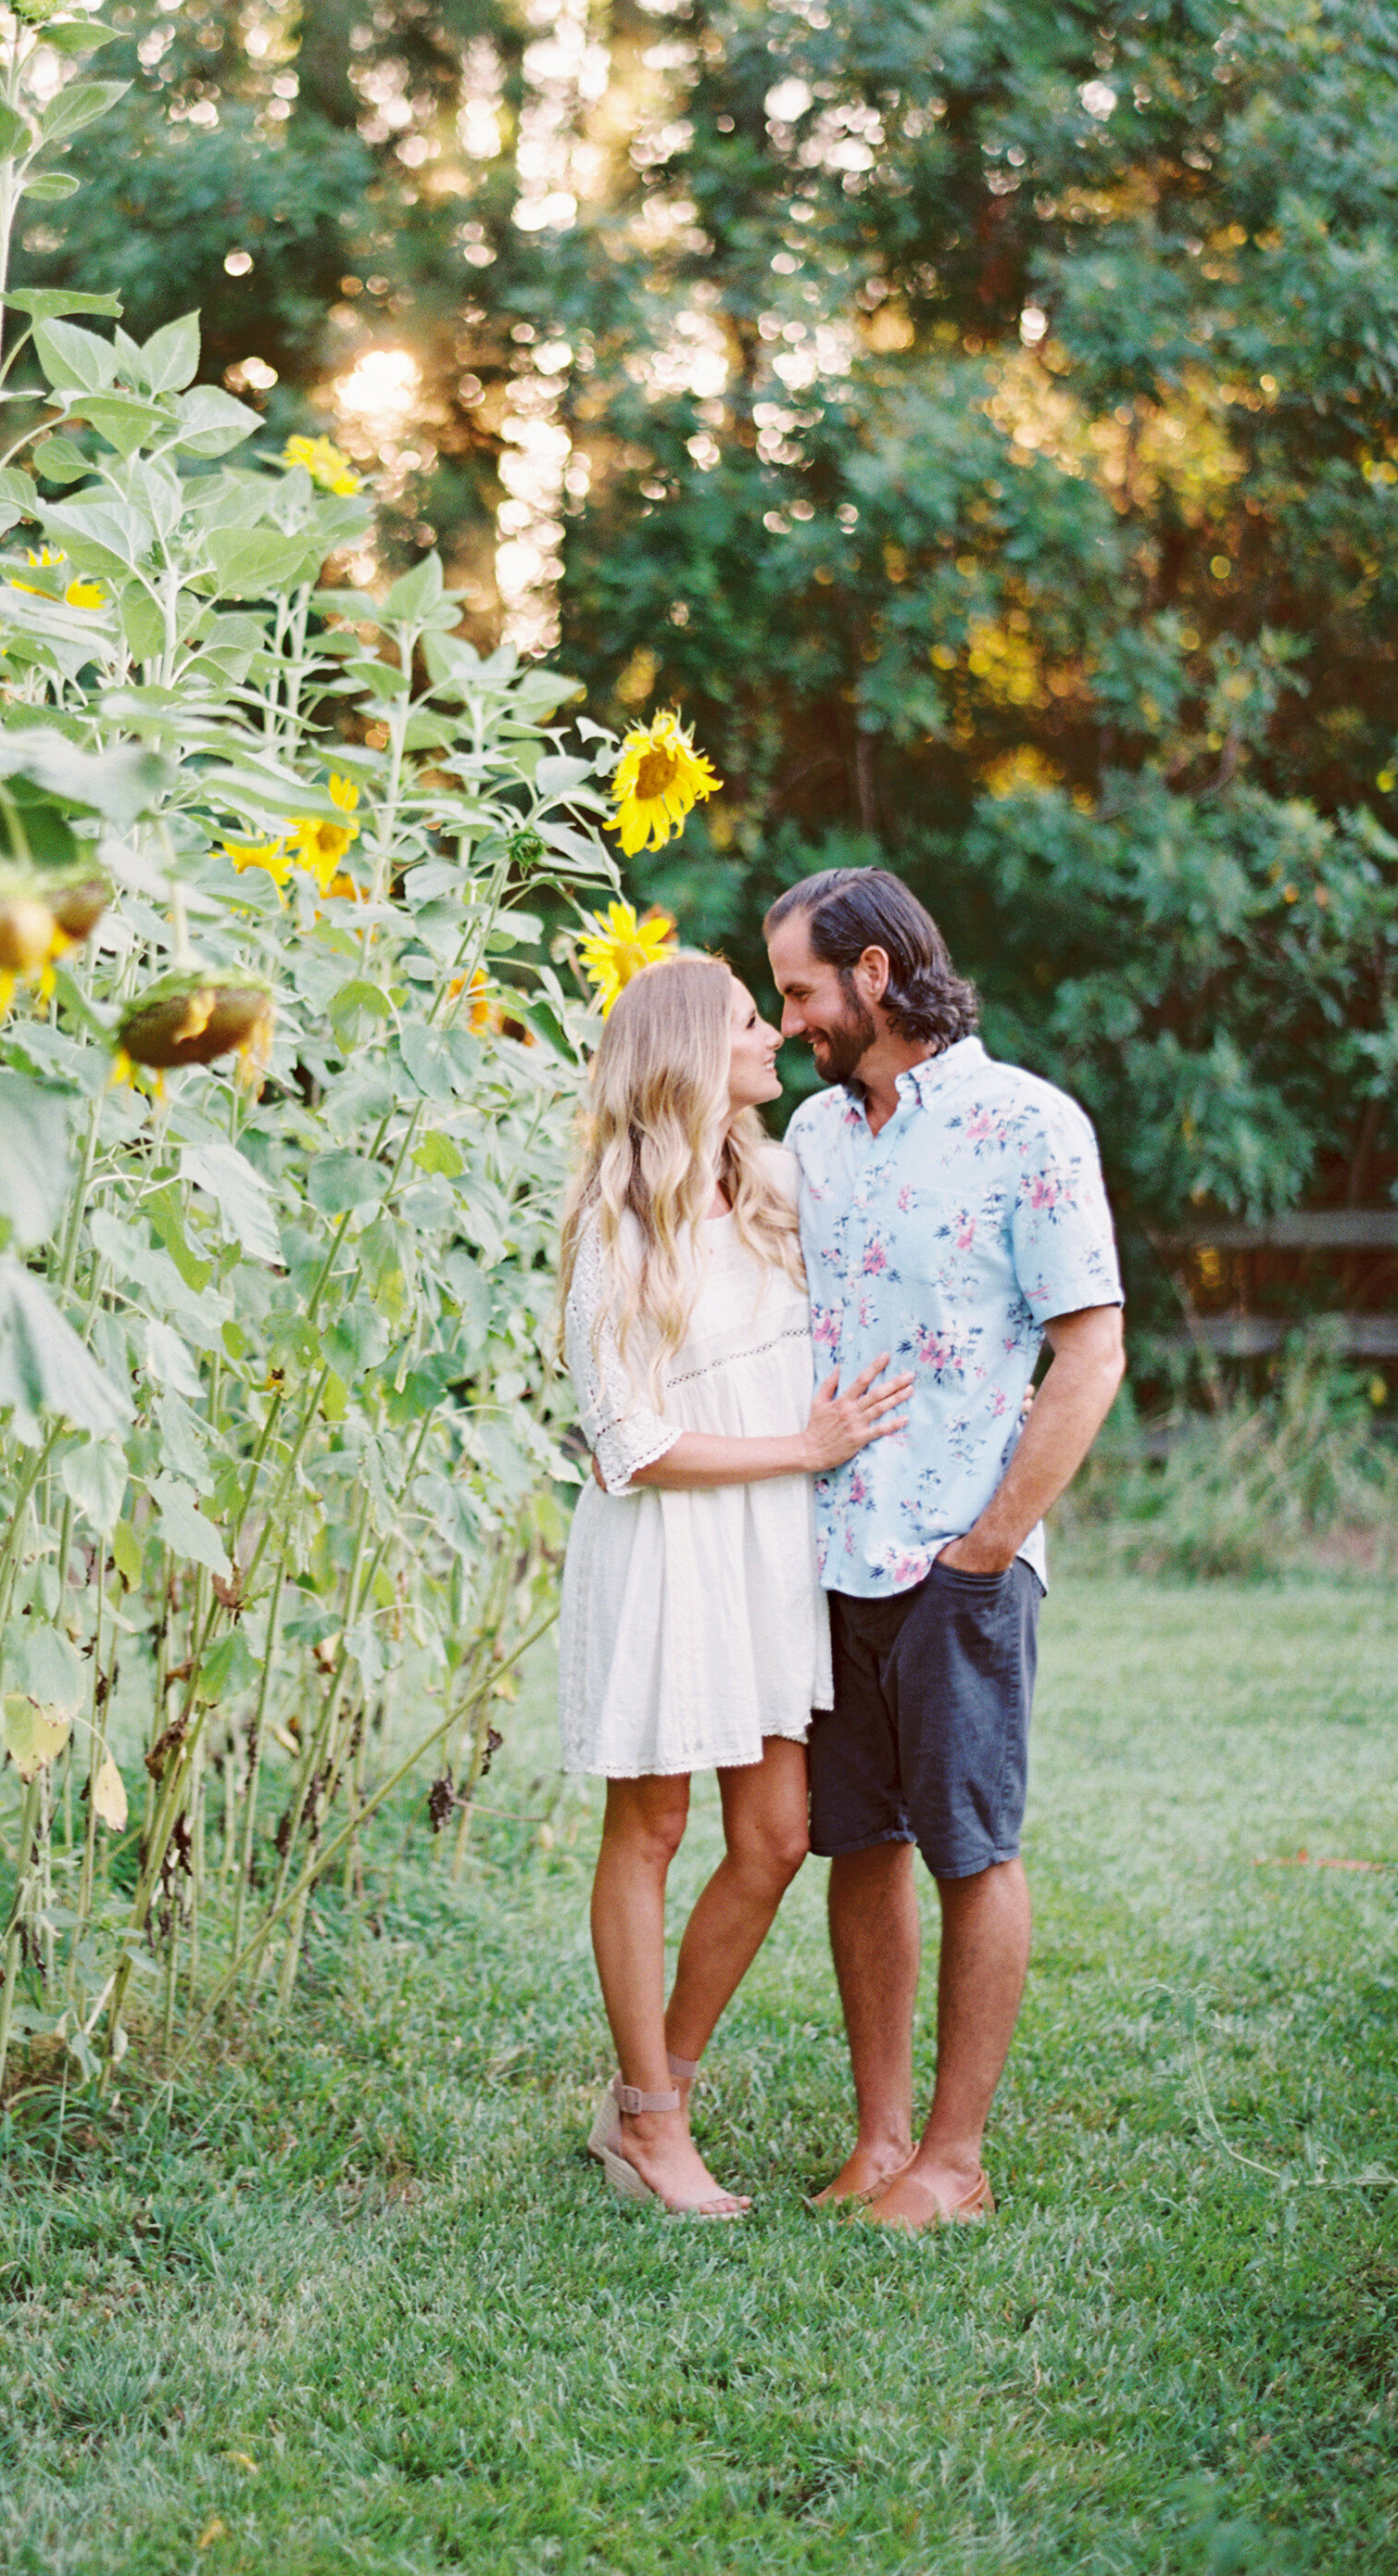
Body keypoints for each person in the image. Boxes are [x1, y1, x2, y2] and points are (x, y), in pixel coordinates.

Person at [765, 866, 1126, 2230]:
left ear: (870, 975)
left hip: (958, 1552)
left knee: (970, 1847)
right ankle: (879, 2142)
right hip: (830, 1550)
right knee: (859, 1842)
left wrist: (990, 1543)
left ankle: (955, 2164)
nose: (788, 1014)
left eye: (802, 988)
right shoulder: (808, 1132)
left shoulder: (1025, 1124)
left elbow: (1088, 1348)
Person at [557, 950, 913, 2218]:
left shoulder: (773, 1184)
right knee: (649, 1828)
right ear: (686, 1055)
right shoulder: (616, 1223)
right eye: (750, 1024)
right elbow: (628, 1443)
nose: (774, 1037)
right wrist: (801, 1451)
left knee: (773, 1836)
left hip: (768, 1551)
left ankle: (651, 2090)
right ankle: (652, 2125)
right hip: (666, 1551)